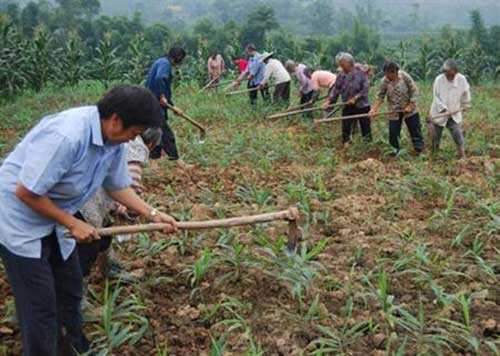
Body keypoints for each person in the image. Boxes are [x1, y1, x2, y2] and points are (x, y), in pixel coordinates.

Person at [0, 85, 178, 356]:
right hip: (20, 220)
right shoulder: (67, 136)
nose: (134, 139)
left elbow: (117, 185)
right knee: (40, 309)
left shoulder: (113, 141)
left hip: (54, 217)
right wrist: (72, 223)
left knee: (70, 288)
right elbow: (26, 191)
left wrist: (152, 213)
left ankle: (73, 348)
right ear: (116, 120)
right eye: (134, 132)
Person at [77, 128, 162, 283]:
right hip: (86, 199)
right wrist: (132, 207)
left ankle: (109, 267)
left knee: (105, 232)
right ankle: (78, 294)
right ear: (151, 143)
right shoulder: (138, 147)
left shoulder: (123, 138)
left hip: (90, 187)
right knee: (89, 244)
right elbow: (132, 178)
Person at [370, 61, 424, 155]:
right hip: (394, 109)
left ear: (395, 72)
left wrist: (410, 105)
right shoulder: (384, 81)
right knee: (393, 131)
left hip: (409, 108)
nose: (387, 76)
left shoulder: (404, 76)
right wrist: (374, 109)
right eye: (385, 74)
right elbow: (380, 96)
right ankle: (394, 150)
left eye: (389, 74)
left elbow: (414, 91)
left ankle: (418, 149)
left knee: (414, 128)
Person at [145, 46, 186, 163]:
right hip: (155, 104)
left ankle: (154, 161)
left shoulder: (160, 61)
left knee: (157, 132)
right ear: (178, 57)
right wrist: (162, 96)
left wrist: (173, 106)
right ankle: (177, 162)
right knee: (167, 134)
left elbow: (164, 89)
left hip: (153, 102)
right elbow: (159, 78)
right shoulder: (165, 64)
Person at [322, 52, 372, 147]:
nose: (341, 66)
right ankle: (346, 143)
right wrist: (329, 101)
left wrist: (355, 98)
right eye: (340, 64)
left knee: (365, 125)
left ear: (349, 63)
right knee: (346, 124)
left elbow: (365, 89)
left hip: (362, 105)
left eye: (342, 63)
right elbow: (336, 89)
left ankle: (368, 145)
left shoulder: (361, 73)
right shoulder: (341, 75)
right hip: (347, 104)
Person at [429, 59, 471, 158]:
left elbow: (466, 92)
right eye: (447, 74)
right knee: (436, 136)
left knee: (457, 133)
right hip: (439, 113)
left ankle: (461, 154)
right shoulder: (439, 80)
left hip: (454, 113)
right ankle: (434, 155)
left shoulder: (462, 79)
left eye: (451, 75)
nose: (449, 77)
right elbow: (436, 97)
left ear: (456, 72)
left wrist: (466, 104)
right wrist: (444, 109)